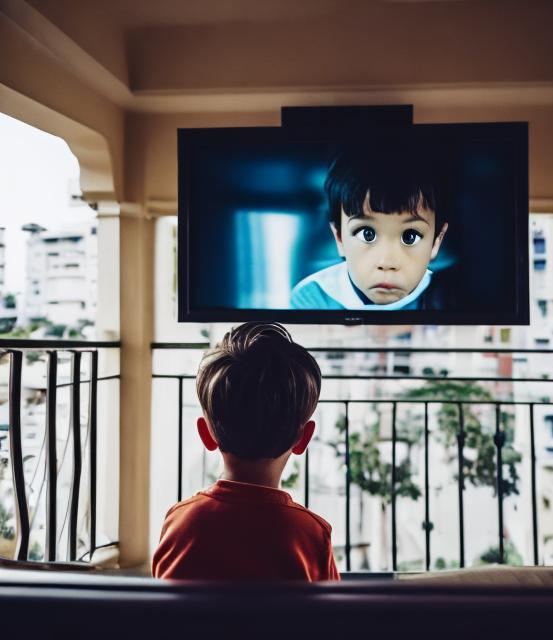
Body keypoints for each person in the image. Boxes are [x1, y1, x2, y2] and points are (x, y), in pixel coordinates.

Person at [152, 322, 340, 581]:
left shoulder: (181, 522)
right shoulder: (310, 534)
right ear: (303, 439)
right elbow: (328, 619)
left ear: (206, 434)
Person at [291, 141, 451, 310]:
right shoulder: (313, 297)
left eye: (409, 236)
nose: (386, 262)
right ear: (339, 239)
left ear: (436, 242)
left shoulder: (444, 299)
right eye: (367, 234)